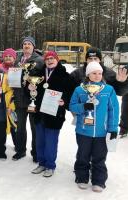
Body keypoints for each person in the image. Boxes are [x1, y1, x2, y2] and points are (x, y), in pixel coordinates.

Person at [69, 61, 119, 192]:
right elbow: (72, 106)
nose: (97, 76)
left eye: (100, 73)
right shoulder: (79, 89)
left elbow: (113, 110)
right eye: (94, 73)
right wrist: (83, 106)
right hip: (83, 131)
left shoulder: (108, 90)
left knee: (99, 157)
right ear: (87, 74)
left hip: (102, 132)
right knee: (83, 155)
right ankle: (82, 177)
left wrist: (113, 128)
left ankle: (99, 181)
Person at [29, 51, 75, 177]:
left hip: (54, 114)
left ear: (57, 59)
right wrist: (30, 88)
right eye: (47, 58)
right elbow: (31, 90)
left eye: (52, 58)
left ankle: (50, 165)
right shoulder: (38, 74)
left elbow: (70, 92)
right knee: (39, 140)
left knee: (51, 140)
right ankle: (41, 163)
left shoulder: (65, 75)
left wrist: (64, 100)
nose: (50, 60)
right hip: (39, 112)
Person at [70, 47, 128, 137]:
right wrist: (75, 110)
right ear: (86, 60)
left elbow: (120, 92)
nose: (93, 61)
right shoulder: (77, 74)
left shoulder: (108, 73)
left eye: (95, 58)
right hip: (83, 117)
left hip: (102, 119)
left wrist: (122, 83)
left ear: (100, 60)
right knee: (84, 146)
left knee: (99, 148)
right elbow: (69, 93)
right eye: (90, 59)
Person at [12, 36, 44, 161]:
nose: (26, 46)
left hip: (32, 100)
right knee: (20, 127)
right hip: (19, 98)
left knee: (34, 128)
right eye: (24, 43)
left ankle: (36, 153)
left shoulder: (40, 60)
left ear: (33, 46)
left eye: (29, 44)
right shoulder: (17, 59)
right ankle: (20, 150)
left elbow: (43, 79)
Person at [0, 48, 17, 146]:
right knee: (2, 123)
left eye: (10, 56)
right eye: (6, 56)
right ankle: (1, 144)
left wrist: (12, 104)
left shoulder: (18, 70)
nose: (8, 58)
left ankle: (18, 146)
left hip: (13, 101)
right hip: (1, 99)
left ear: (14, 58)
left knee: (15, 124)